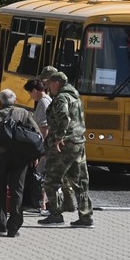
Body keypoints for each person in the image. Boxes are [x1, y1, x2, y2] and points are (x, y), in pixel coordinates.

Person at [0, 89, 41, 238]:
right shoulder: (23, 113)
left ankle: (0, 223)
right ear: (14, 100)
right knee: (18, 189)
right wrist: (34, 156)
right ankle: (14, 227)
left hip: (0, 157)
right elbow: (36, 133)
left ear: (0, 101)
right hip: (21, 157)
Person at [38, 69, 94, 227]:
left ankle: (55, 215)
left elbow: (64, 117)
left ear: (56, 83)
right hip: (78, 143)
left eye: (49, 84)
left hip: (64, 145)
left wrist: (58, 137)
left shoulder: (62, 97)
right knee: (80, 181)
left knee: (51, 181)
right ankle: (86, 217)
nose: (48, 88)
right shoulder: (75, 96)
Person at [24, 77, 52, 211]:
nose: (30, 96)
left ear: (35, 90)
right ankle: (44, 203)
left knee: (41, 175)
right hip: (49, 145)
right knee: (45, 175)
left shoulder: (42, 103)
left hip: (45, 146)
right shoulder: (49, 100)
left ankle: (43, 203)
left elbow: (44, 128)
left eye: (30, 93)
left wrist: (39, 150)